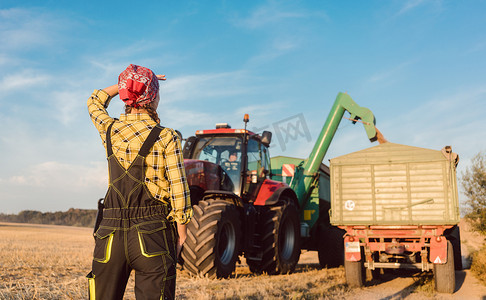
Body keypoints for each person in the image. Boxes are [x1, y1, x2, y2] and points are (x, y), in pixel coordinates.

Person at [86, 64, 192, 300]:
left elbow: (94, 101)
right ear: (153, 97)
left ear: (125, 96)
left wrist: (125, 84)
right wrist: (181, 233)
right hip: (152, 233)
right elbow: (179, 189)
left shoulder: (110, 129)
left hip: (110, 235)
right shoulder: (166, 136)